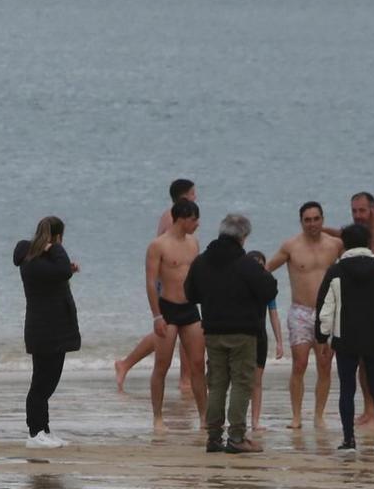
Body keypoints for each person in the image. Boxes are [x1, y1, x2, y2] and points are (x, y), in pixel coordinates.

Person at [183, 213, 277, 453]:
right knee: (241, 384)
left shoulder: (202, 261)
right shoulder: (245, 264)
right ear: (243, 237)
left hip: (212, 331)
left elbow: (190, 293)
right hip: (243, 332)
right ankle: (236, 437)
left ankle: (213, 437)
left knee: (216, 384)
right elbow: (269, 290)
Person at [314, 223, 374, 452]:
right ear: (368, 243)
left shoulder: (336, 271)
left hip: (346, 340)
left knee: (347, 389)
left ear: (344, 243)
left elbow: (326, 307)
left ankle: (348, 440)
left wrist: (322, 338)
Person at [265, 201, 343, 430]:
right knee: (299, 365)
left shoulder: (335, 245)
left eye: (316, 219)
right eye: (307, 220)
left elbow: (356, 262)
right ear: (301, 222)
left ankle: (319, 415)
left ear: (322, 219)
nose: (312, 224)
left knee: (325, 364)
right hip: (300, 311)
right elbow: (266, 268)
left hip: (327, 313)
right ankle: (296, 416)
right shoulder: (291, 246)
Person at [114, 178, 198, 392]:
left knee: (180, 333)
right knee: (166, 332)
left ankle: (184, 378)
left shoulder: (182, 220)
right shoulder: (172, 219)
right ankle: (126, 364)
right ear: (184, 197)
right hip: (167, 285)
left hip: (181, 288)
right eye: (193, 194)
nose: (195, 197)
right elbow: (165, 257)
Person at [14, 215, 80, 449]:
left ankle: (44, 429)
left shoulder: (38, 259)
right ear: (58, 237)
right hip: (44, 331)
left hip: (52, 330)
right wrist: (55, 249)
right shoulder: (32, 259)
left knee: (47, 381)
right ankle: (35, 432)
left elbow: (60, 271)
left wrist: (56, 256)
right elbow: (61, 269)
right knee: (42, 383)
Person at [146, 200, 205, 432]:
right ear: (182, 218)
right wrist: (156, 316)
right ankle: (158, 418)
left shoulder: (194, 243)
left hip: (190, 308)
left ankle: (203, 417)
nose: (197, 224)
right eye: (194, 219)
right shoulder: (158, 245)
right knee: (162, 364)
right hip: (168, 309)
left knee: (198, 364)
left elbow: (198, 277)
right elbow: (151, 282)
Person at [245, 249, 285, 437]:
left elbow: (274, 314)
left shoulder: (267, 287)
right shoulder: (240, 285)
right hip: (243, 337)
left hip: (260, 336)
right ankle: (237, 418)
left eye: (260, 266)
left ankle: (255, 421)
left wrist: (279, 341)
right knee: (240, 380)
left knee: (257, 381)